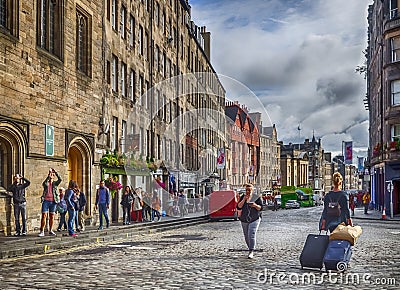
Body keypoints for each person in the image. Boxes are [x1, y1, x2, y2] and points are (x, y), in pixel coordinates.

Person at [236, 183, 263, 259]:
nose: (248, 192)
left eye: (249, 190)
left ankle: (251, 251)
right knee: (246, 236)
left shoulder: (256, 197)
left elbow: (261, 208)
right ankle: (249, 248)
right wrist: (244, 199)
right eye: (246, 190)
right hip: (244, 219)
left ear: (252, 190)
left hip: (255, 218)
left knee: (251, 233)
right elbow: (239, 206)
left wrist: (255, 205)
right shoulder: (243, 197)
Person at [38, 168, 62, 237]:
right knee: (44, 216)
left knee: (52, 216)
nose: (52, 176)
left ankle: (51, 230)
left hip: (53, 201)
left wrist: (56, 172)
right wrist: (48, 176)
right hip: (46, 201)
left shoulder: (55, 183)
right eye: (51, 175)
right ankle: (42, 230)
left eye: (53, 175)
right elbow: (44, 183)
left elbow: (60, 179)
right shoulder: (46, 183)